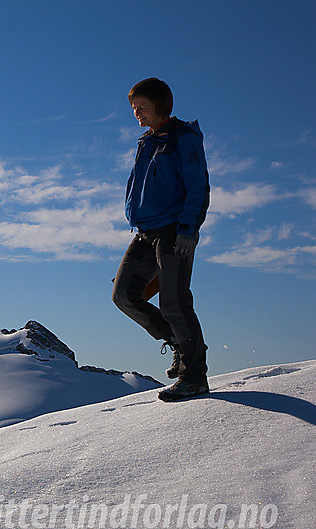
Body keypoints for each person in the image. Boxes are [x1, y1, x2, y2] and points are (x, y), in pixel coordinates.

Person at [112, 77, 211, 402]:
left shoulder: (183, 138)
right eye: (134, 108)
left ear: (160, 104)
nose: (136, 113)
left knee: (173, 301)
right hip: (144, 232)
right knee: (124, 294)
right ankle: (180, 344)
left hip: (173, 230)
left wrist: (188, 231)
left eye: (141, 107)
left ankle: (194, 377)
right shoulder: (148, 141)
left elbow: (198, 188)